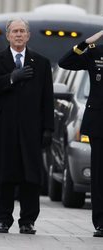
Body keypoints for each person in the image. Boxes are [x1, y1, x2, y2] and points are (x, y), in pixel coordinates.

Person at [0, 19, 54, 234]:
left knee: (30, 175)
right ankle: (3, 218)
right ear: (8, 35)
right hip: (4, 127)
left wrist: (48, 128)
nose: (19, 35)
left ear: (28, 35)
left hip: (32, 129)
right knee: (5, 174)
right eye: (15, 31)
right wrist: (11, 78)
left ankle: (28, 220)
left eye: (22, 31)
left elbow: (47, 98)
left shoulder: (40, 62)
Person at [58, 30, 103, 238]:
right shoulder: (96, 52)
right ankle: (101, 222)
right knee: (99, 175)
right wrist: (85, 43)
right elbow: (65, 62)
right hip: (99, 124)